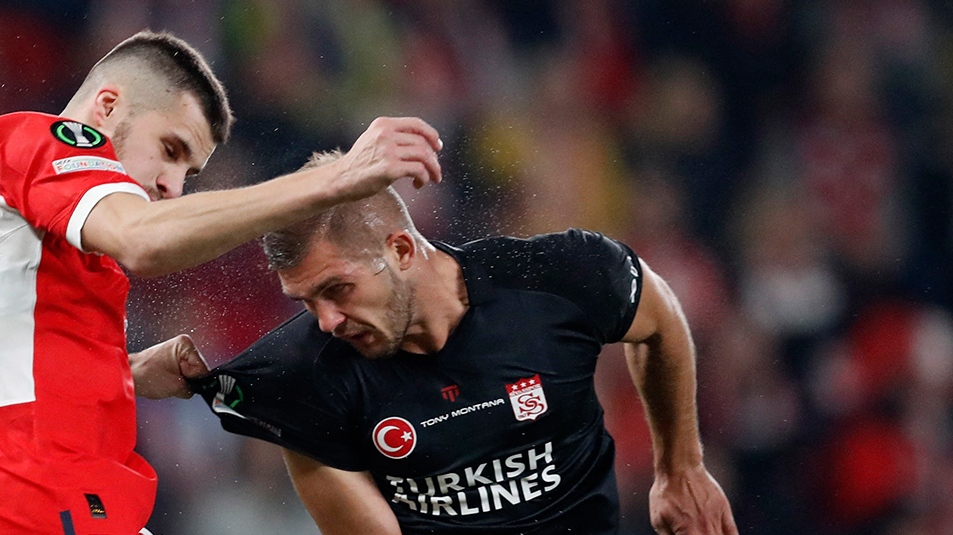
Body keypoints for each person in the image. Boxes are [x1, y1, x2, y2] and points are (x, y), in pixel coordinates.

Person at [0, 31, 443, 535]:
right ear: (107, 107)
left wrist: (120, 372)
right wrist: (335, 179)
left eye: (189, 171)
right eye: (170, 149)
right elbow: (142, 240)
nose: (172, 186)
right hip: (42, 496)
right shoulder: (43, 141)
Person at [184, 151, 738, 535]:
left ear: (401, 250)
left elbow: (659, 317)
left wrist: (681, 468)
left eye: (337, 289)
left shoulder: (555, 279)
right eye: (305, 301)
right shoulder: (304, 377)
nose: (326, 321)